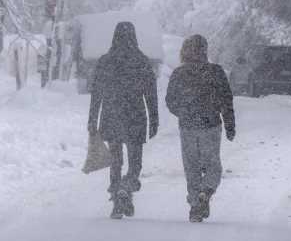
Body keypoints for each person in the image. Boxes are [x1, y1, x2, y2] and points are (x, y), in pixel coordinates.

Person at [87, 21, 159, 219]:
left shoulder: (105, 61)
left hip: (111, 115)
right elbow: (151, 93)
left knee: (115, 160)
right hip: (135, 115)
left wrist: (92, 118)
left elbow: (96, 93)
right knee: (135, 163)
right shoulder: (142, 61)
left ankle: (117, 194)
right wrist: (154, 119)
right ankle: (126, 187)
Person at [165, 35, 236, 223]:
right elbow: (226, 99)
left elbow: (170, 100)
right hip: (211, 124)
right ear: (205, 50)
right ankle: (206, 190)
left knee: (191, 166)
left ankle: (195, 204)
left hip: (188, 126)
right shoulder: (216, 72)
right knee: (212, 164)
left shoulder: (179, 73)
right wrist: (229, 124)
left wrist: (183, 112)